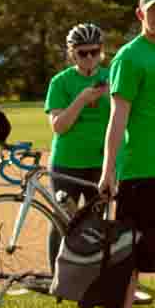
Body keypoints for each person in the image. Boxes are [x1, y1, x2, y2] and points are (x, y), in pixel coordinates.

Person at [99, 0, 155, 308]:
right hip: (140, 169)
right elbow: (117, 119)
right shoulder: (129, 57)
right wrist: (108, 170)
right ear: (140, 14)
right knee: (130, 249)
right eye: (154, 11)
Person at [44, 23, 110, 270]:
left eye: (94, 51)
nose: (89, 57)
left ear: (101, 51)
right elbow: (59, 126)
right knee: (62, 222)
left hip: (101, 163)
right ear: (72, 53)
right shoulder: (60, 82)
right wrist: (82, 99)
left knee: (98, 222)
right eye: (83, 53)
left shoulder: (112, 76)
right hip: (66, 163)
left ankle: (92, 274)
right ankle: (57, 276)